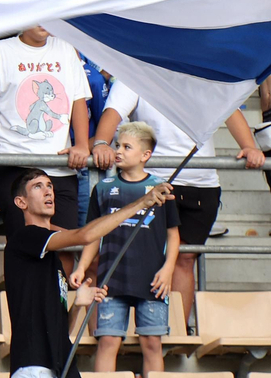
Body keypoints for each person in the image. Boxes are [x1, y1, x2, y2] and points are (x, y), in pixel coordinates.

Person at [90, 81, 263, 332]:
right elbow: (113, 111)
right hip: (152, 184)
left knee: (185, 258)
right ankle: (116, 334)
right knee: (136, 256)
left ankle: (178, 332)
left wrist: (248, 146)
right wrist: (101, 143)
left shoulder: (202, 72)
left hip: (201, 185)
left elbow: (231, 109)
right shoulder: (136, 68)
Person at [4, 169, 173, 378]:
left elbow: (60, 329)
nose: (48, 192)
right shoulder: (24, 238)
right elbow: (85, 236)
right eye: (38, 187)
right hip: (33, 366)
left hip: (61, 366)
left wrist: (78, 305)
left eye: (49, 186)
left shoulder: (53, 261)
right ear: (21, 202)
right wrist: (141, 203)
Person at [0, 26, 92, 242]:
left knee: (65, 248)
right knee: (26, 242)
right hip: (14, 165)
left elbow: (78, 99)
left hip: (61, 168)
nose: (43, 23)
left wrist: (82, 145)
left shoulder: (66, 49)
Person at [73, 121, 179, 376]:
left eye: (127, 147)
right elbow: (93, 236)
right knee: (108, 341)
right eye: (117, 145)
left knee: (152, 343)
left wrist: (168, 270)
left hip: (152, 278)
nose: (118, 150)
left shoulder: (161, 189)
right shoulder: (103, 188)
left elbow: (173, 235)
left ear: (145, 155)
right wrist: (82, 266)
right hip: (112, 278)